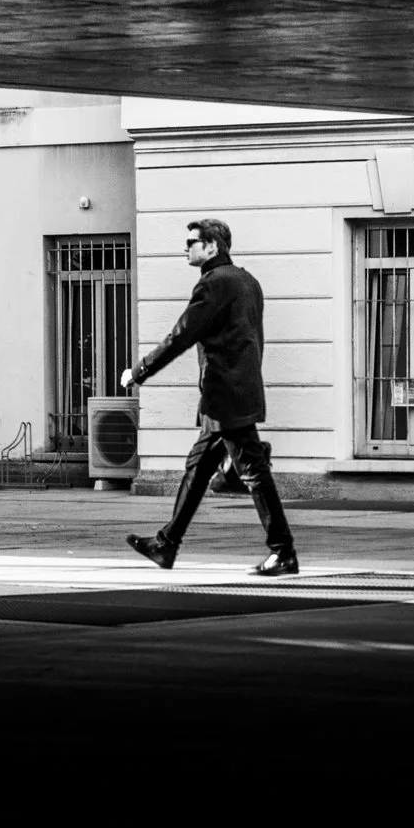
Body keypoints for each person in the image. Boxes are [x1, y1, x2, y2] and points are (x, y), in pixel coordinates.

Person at [121, 218, 299, 575]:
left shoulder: (214, 284)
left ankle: (283, 552)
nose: (185, 248)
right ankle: (166, 545)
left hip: (225, 396)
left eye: (192, 242)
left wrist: (139, 371)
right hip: (237, 391)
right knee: (199, 467)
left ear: (212, 247)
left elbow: (181, 335)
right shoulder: (248, 281)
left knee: (253, 472)